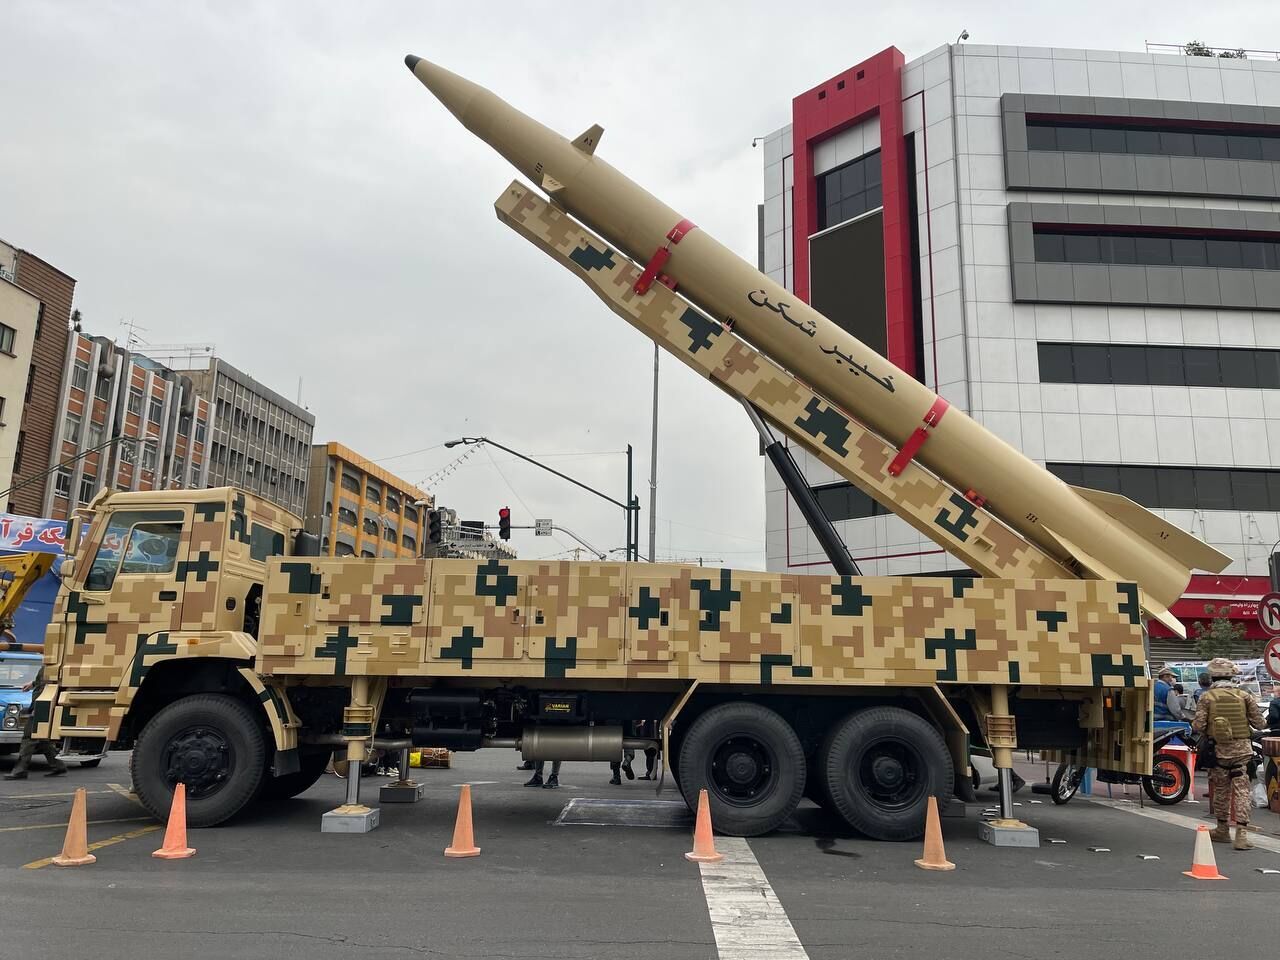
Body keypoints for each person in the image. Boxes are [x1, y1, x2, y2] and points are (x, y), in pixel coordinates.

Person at [1192, 657, 1266, 850]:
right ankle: (1241, 834)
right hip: (1242, 751)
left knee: (1221, 789)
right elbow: (1260, 723)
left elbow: (1198, 725)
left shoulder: (1206, 697)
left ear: (1213, 676)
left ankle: (1222, 829)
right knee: (1242, 790)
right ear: (1231, 675)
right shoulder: (1244, 696)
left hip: (1218, 751)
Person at [4, 668, 68, 781]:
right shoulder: (51, 663)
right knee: (42, 737)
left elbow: (50, 685)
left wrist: (39, 708)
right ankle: (58, 765)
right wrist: (32, 684)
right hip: (43, 705)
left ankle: (20, 770)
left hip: (43, 706)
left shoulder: (54, 664)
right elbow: (44, 681)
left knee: (29, 736)